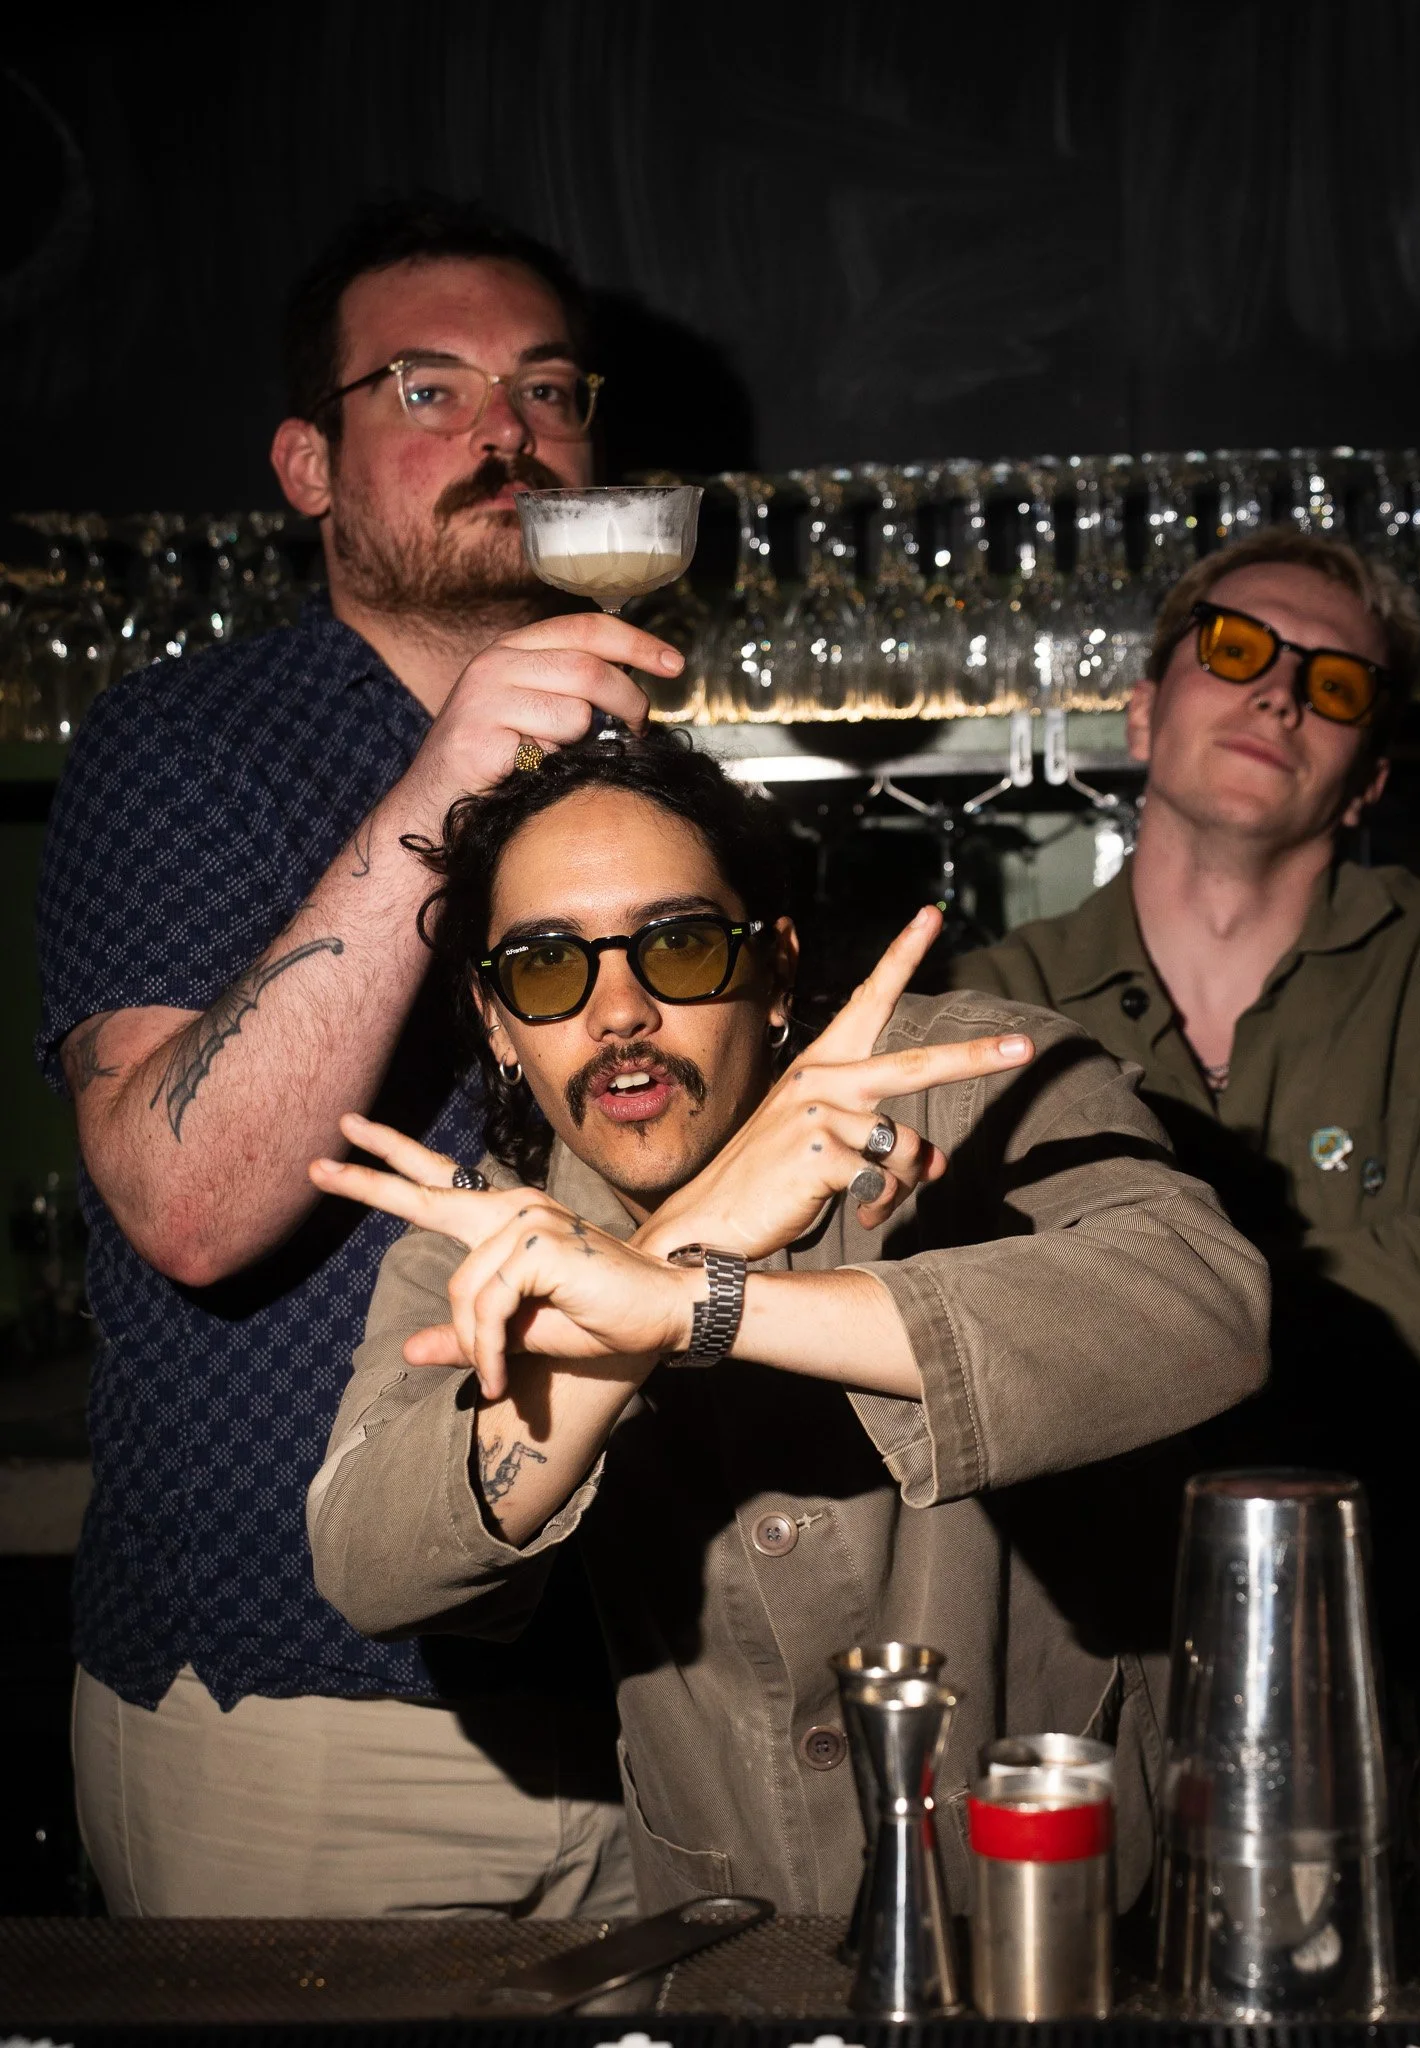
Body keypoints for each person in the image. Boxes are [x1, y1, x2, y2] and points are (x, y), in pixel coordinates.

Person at [304, 730, 1269, 1919]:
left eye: (681, 944)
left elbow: (1202, 1301)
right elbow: (368, 1555)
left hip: (1066, 1905)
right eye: (549, 968)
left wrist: (697, 1303)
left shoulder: (960, 1076)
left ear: (775, 971)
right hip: (734, 1926)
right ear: (498, 1021)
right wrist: (666, 1265)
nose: (619, 1012)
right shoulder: (494, 1231)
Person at [34, 195, 683, 1916]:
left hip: (657, 1699)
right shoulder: (183, 746)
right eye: (425, 391)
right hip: (310, 1712)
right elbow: (185, 1202)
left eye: (548, 393)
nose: (506, 437)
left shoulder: (650, 777)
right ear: (307, 466)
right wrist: (442, 784)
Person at [953, 527, 1420, 1719]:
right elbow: (951, 1323)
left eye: (1333, 683)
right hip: (1085, 1689)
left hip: (1405, 1675)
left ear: (1368, 774)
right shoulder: (992, 996)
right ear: (1140, 713)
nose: (1279, 688)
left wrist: (1108, 1317)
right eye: (1236, 646)